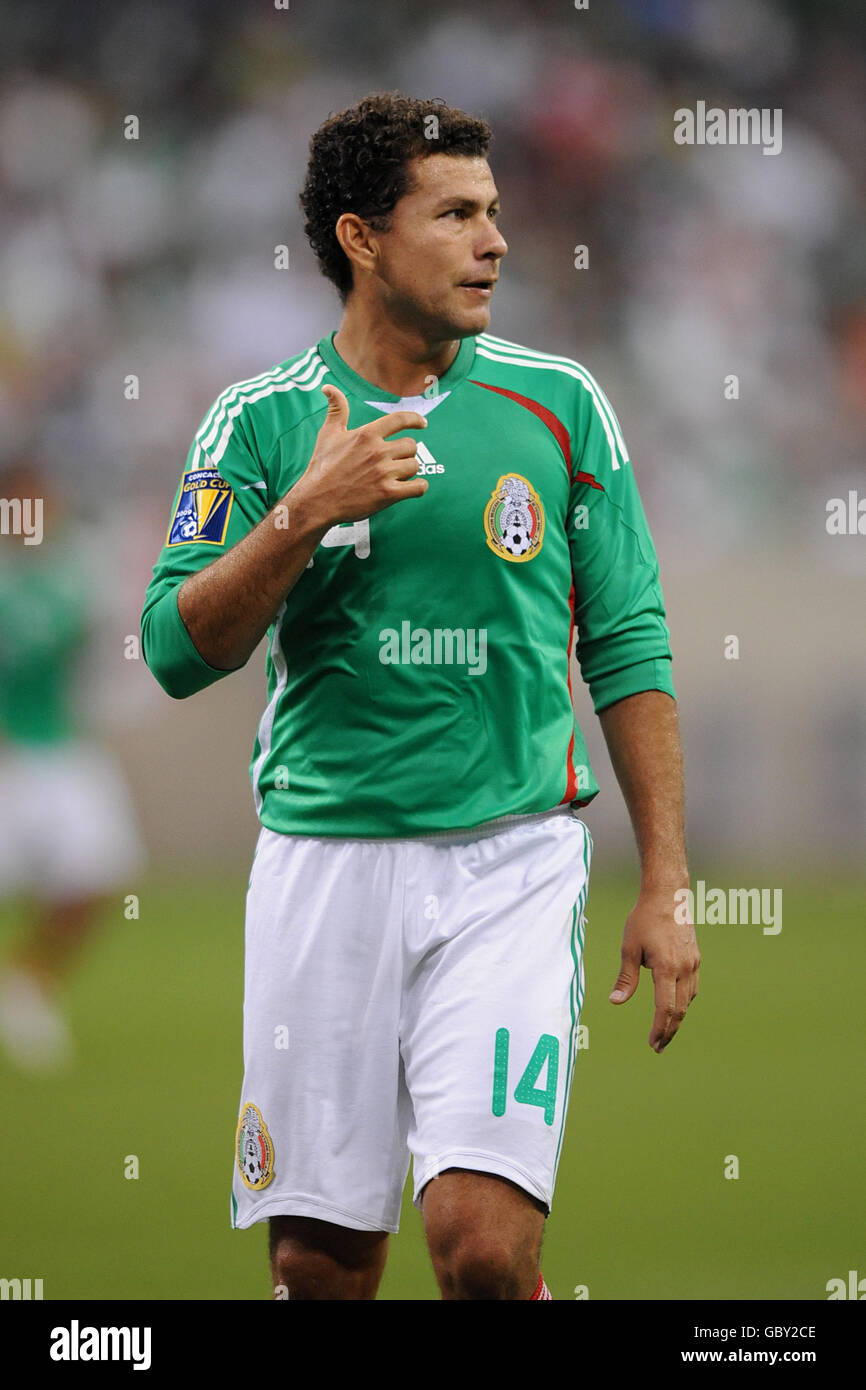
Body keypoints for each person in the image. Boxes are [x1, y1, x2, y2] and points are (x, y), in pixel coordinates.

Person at [140, 91, 700, 1301]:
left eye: (492, 213)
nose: (493, 240)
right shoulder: (264, 420)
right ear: (360, 238)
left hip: (508, 860)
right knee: (317, 1271)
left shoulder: (558, 405)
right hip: (321, 866)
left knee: (483, 1251)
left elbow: (629, 642)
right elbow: (174, 650)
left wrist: (664, 880)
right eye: (454, 214)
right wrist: (304, 511)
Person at [0, 460, 146, 1072]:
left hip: (60, 744)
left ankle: (28, 980)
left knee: (97, 869)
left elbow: (102, 654)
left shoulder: (71, 573)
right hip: (8, 753)